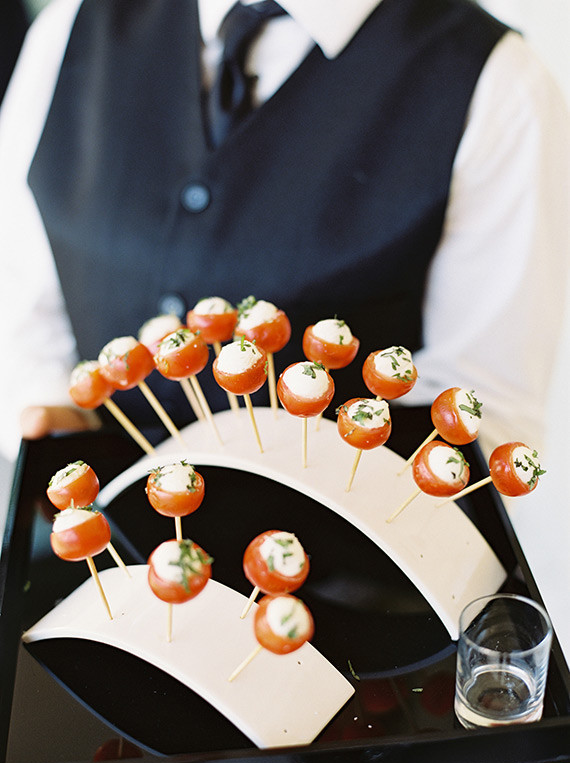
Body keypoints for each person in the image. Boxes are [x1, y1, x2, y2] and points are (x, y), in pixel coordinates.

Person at [0, 0, 568, 463]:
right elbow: (17, 295)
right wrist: (45, 408)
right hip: (83, 547)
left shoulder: (498, 82)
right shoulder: (69, 27)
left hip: (346, 553)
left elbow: (483, 407)